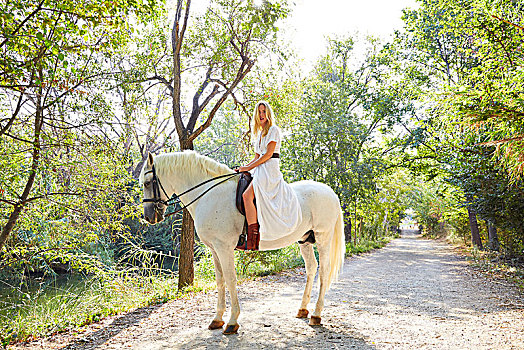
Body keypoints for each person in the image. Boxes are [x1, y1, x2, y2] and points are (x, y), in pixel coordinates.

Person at [236, 101, 302, 250]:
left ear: (268, 113)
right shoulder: (259, 134)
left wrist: (248, 167)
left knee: (247, 196)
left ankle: (252, 241)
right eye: (259, 112)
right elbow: (256, 157)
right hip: (259, 170)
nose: (261, 115)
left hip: (269, 170)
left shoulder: (273, 130)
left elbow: (268, 155)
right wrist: (243, 168)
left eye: (264, 112)